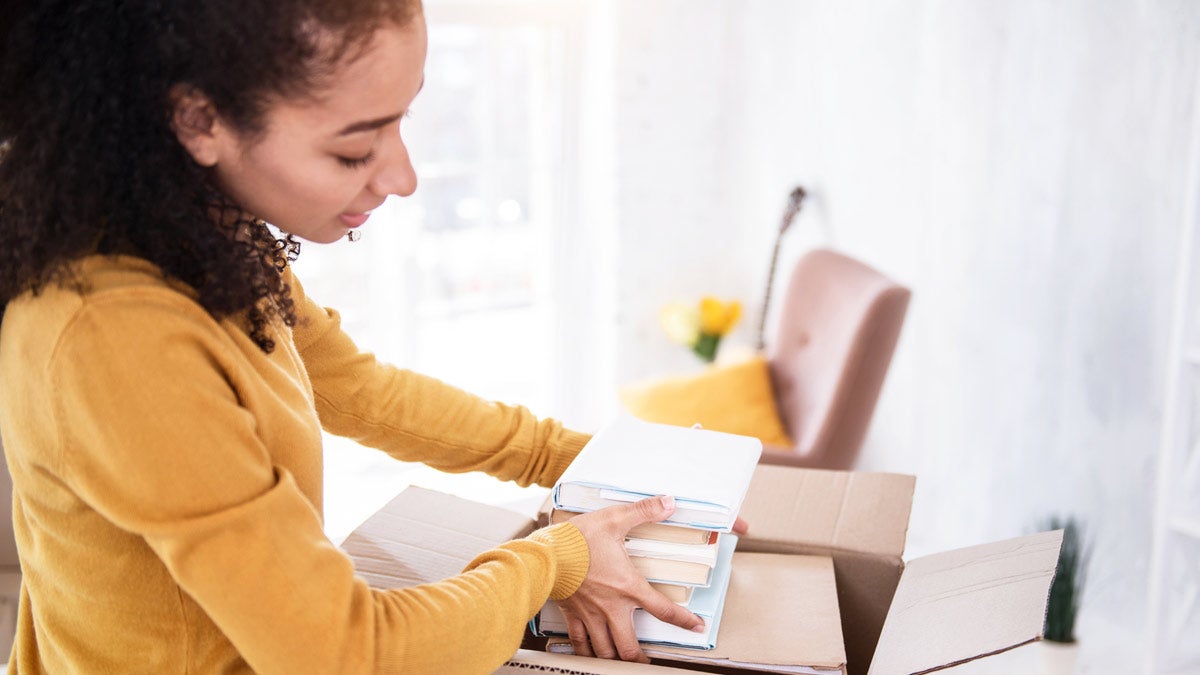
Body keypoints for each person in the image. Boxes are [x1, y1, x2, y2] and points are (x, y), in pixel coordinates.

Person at [0, 1, 743, 672]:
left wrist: (581, 461)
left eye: (401, 121)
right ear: (199, 122)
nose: (404, 176)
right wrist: (555, 559)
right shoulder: (117, 338)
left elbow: (357, 388)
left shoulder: (204, 235)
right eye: (354, 149)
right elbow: (346, 653)